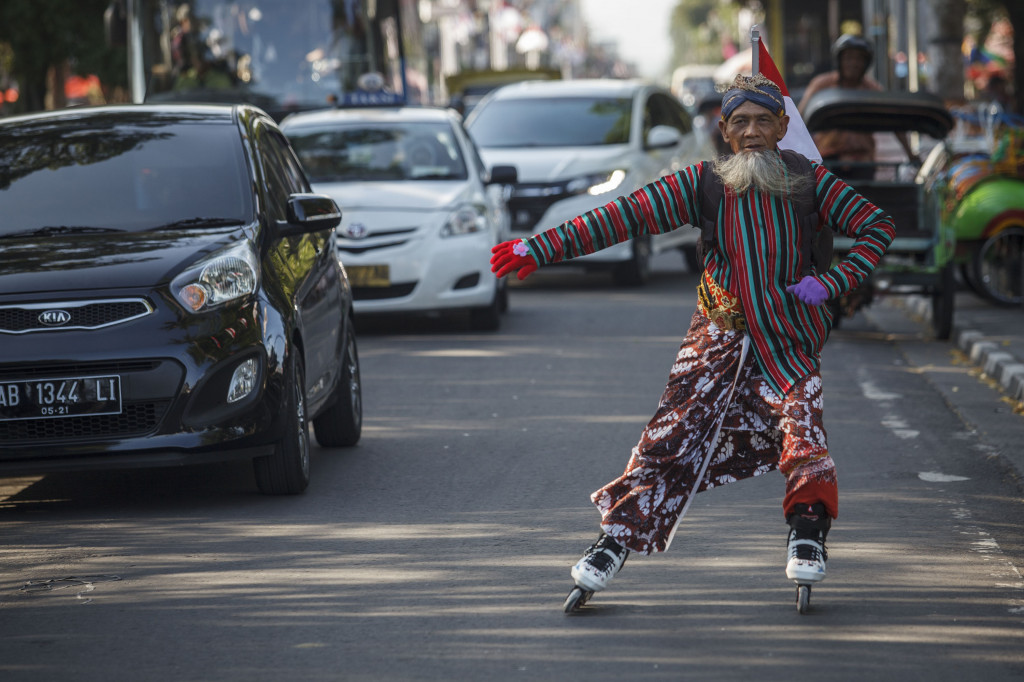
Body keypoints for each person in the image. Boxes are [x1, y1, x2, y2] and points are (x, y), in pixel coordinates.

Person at [490, 74, 896, 605]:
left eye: (763, 121)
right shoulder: (703, 183)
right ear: (723, 131)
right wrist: (541, 248)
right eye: (740, 122)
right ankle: (612, 543)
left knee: (805, 432)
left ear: (781, 127)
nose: (752, 132)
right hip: (715, 342)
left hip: (788, 345)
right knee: (668, 441)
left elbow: (877, 226)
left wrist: (834, 281)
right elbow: (624, 215)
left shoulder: (810, 180)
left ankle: (807, 534)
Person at [798, 34, 916, 179]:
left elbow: (895, 121)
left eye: (859, 59)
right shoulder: (822, 85)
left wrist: (910, 154)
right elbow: (799, 118)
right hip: (829, 159)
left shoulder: (872, 90)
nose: (853, 63)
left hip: (863, 162)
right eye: (848, 58)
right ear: (840, 60)